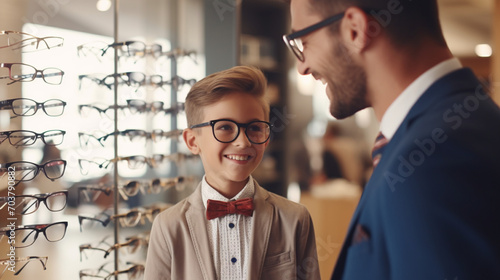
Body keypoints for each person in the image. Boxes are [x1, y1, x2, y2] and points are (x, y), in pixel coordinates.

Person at [284, 0, 500, 279]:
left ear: (355, 30)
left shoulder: (432, 161)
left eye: (303, 40)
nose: (302, 66)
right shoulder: (456, 127)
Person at [144, 66, 320, 280]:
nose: (242, 141)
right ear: (192, 141)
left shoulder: (294, 218)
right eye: (225, 127)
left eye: (255, 128)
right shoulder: (168, 226)